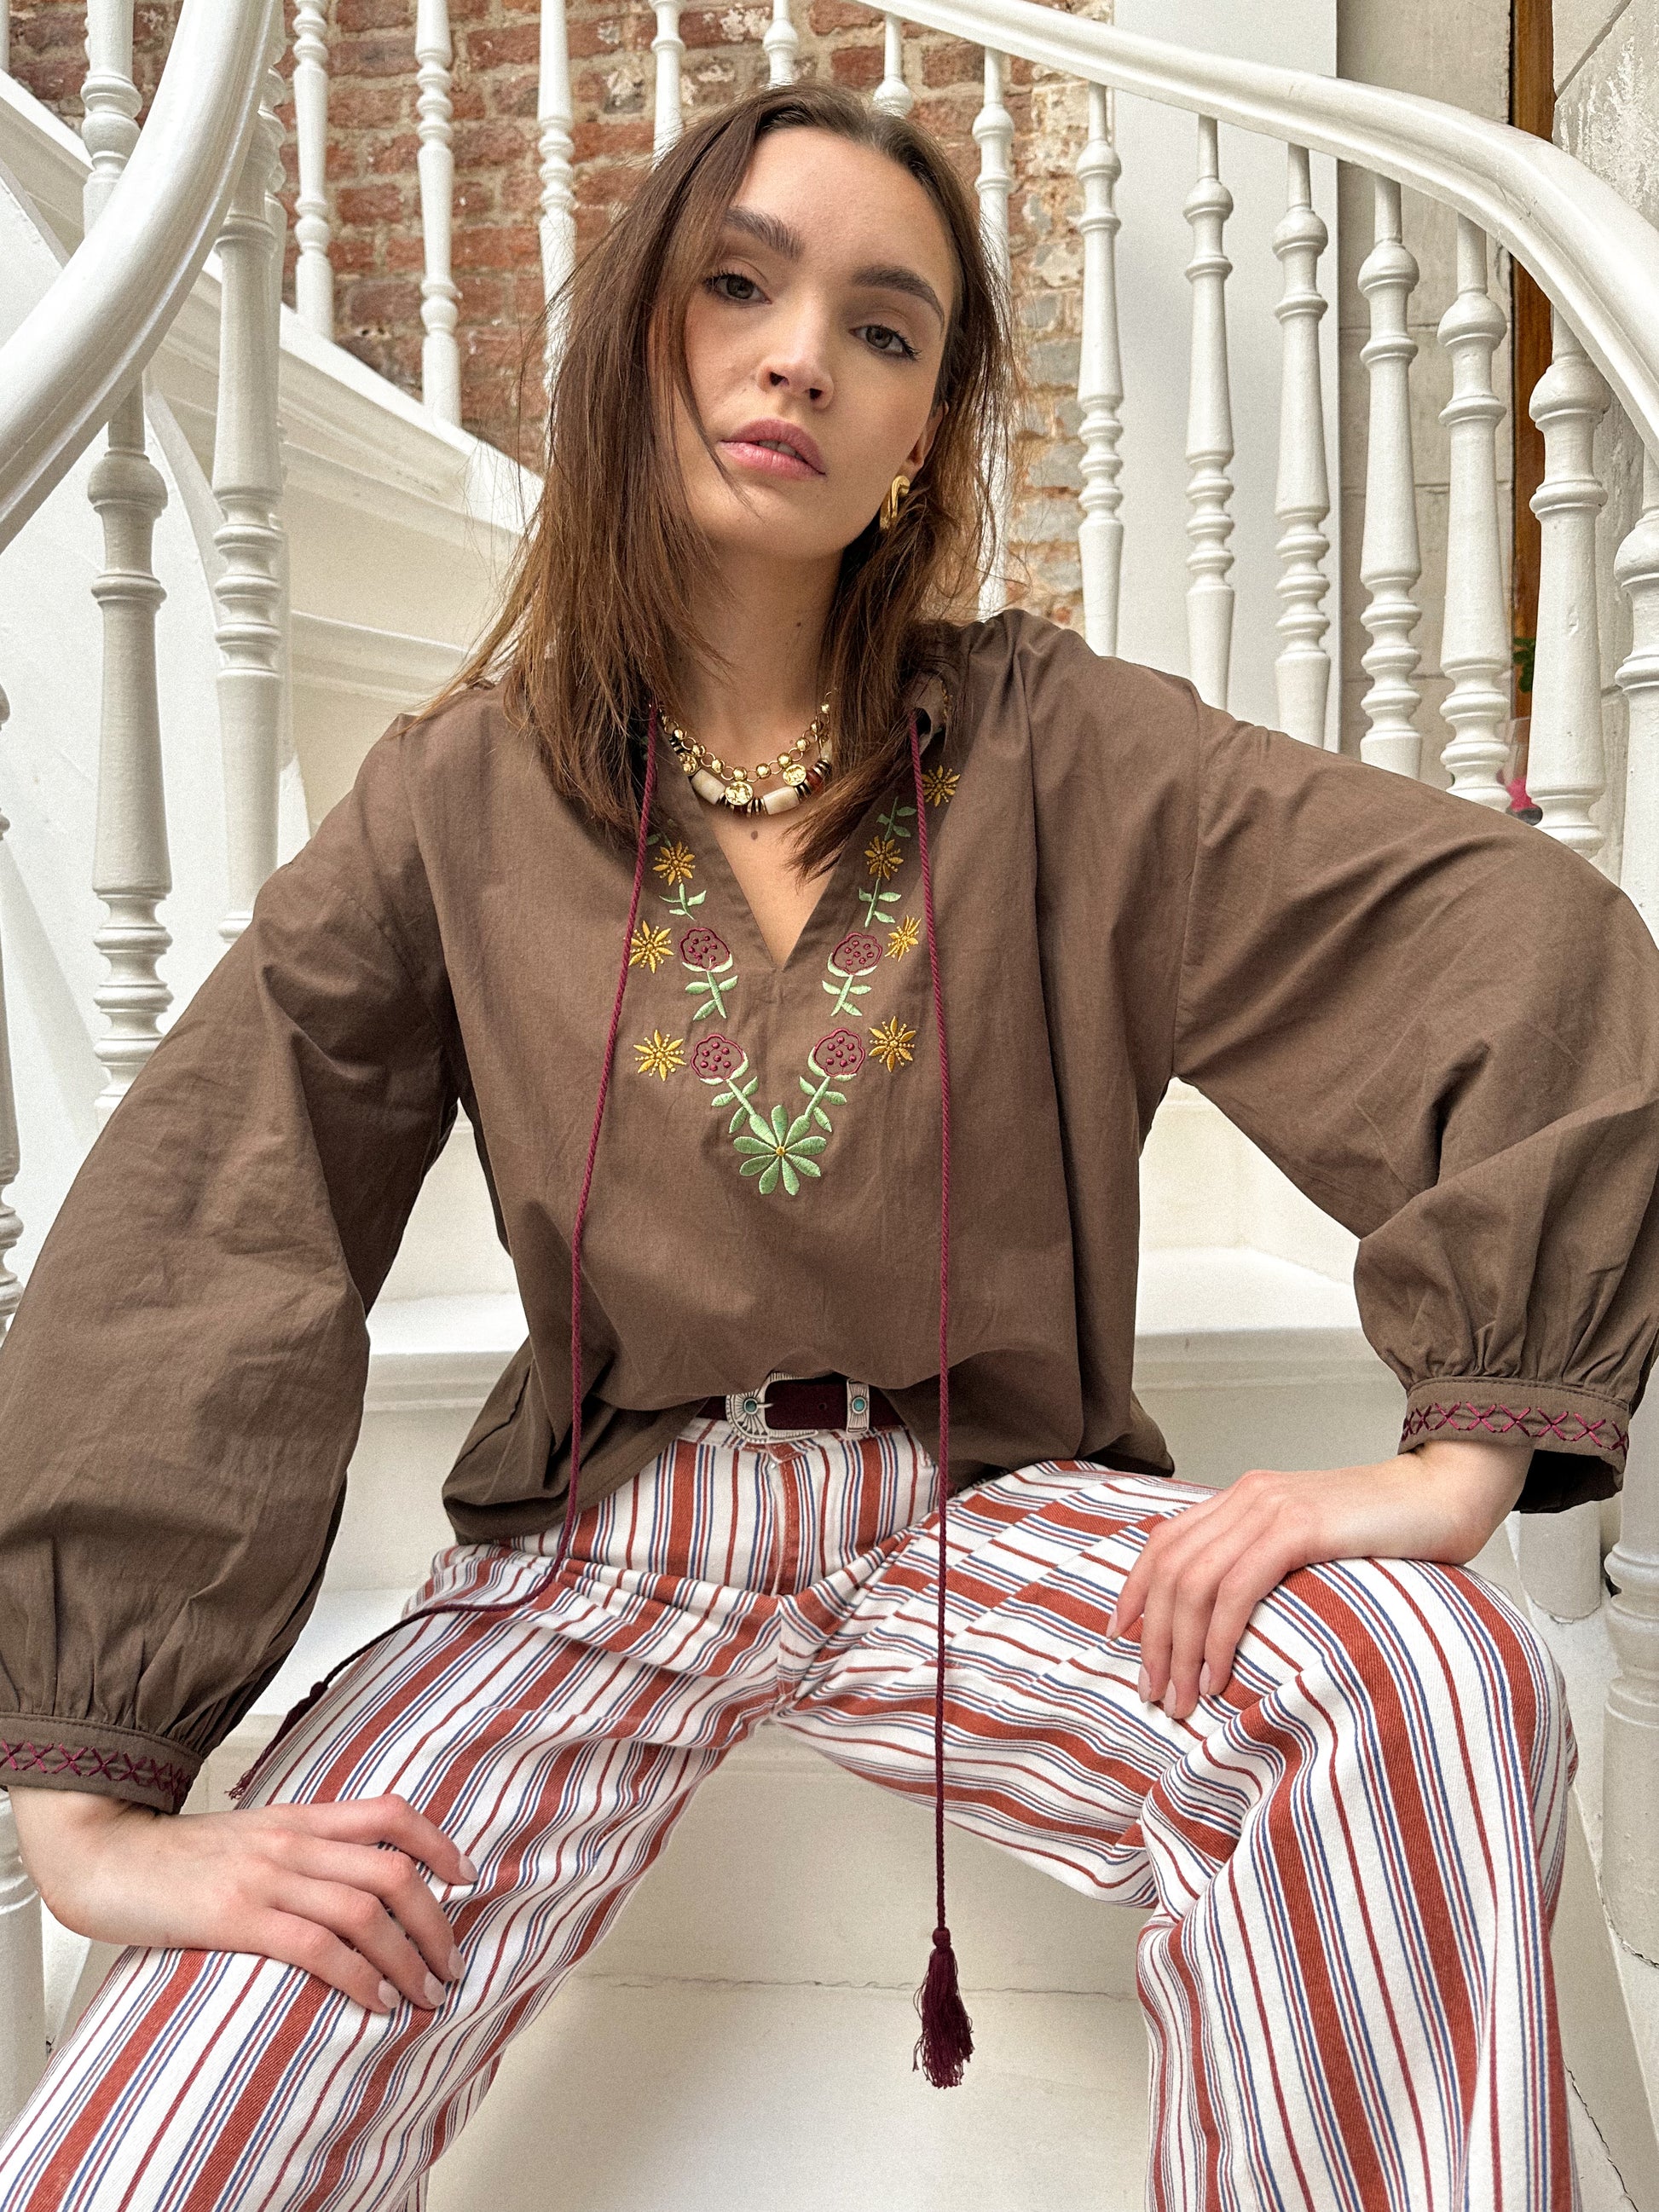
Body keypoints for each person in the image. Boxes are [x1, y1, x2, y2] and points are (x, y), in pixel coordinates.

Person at [0, 77, 1653, 2211]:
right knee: (184, 2099)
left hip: (977, 1517)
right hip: (600, 1559)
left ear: (920, 438)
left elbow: (1507, 934)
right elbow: (217, 1204)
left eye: (883, 328)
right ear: (642, 341)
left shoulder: (1056, 747)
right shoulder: (454, 800)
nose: (800, 356)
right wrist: (88, 1804)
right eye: (739, 286)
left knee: (1433, 1677)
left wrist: (1459, 1453)